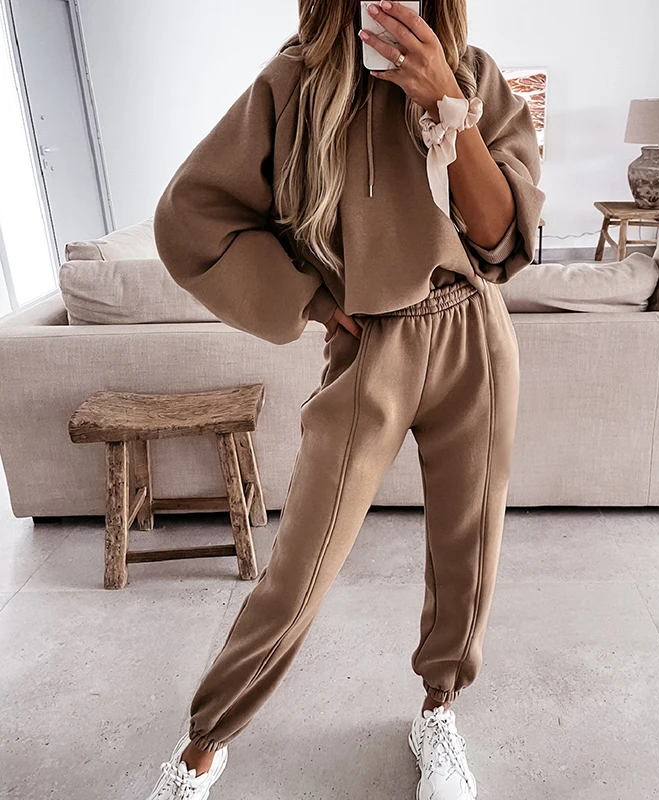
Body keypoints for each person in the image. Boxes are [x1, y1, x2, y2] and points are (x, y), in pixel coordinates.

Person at [145, 1, 544, 798]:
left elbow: (500, 240)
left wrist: (446, 102)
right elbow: (189, 217)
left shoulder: (472, 74)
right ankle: (204, 745)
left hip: (474, 335)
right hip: (371, 345)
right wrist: (310, 300)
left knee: (468, 552)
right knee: (301, 565)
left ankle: (438, 712)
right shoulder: (293, 83)